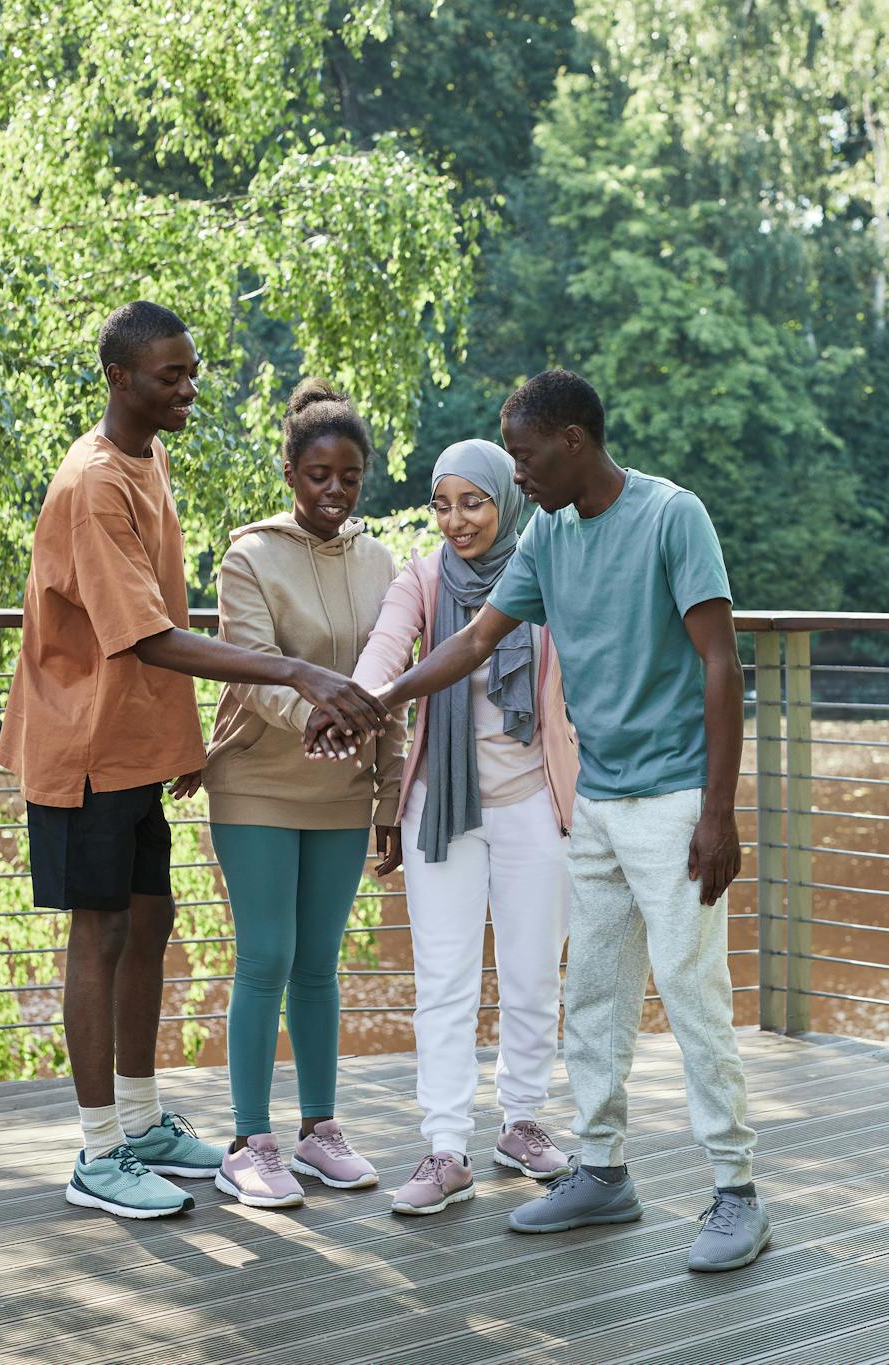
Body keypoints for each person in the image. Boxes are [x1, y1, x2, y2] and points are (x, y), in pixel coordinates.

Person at [307, 369, 767, 1271]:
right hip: (595, 801)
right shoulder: (552, 535)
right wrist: (383, 698)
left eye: (522, 458)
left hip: (674, 799)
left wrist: (720, 811)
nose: (518, 479)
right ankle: (601, 1170)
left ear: (572, 441)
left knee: (691, 993)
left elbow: (721, 664)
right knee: (591, 994)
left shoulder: (675, 517)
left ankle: (735, 1190)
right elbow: (477, 639)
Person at [0, 303, 388, 1221]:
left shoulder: (148, 456)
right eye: (171, 376)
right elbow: (149, 635)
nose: (189, 388)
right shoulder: (95, 483)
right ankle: (98, 1152)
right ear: (118, 379)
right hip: (82, 748)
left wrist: (180, 744)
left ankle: (139, 1121)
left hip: (134, 748)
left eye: (191, 370)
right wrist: (294, 668)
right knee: (96, 937)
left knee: (150, 918)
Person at [348, 439, 579, 1217]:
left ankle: (521, 1122)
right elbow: (384, 652)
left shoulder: (544, 572)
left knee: (532, 974)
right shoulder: (420, 578)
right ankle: (446, 1147)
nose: (456, 521)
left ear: (506, 501)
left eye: (473, 502)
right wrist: (358, 698)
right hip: (440, 811)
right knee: (442, 984)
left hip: (531, 804)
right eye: (443, 504)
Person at [200, 378, 406, 1210]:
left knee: (319, 964)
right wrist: (321, 721)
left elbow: (391, 679)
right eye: (319, 475)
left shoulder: (384, 560)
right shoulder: (248, 557)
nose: (334, 491)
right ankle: (250, 1143)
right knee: (267, 955)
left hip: (342, 788)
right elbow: (253, 672)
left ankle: (320, 1132)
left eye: (350, 477)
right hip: (257, 780)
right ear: (290, 472)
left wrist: (388, 793)